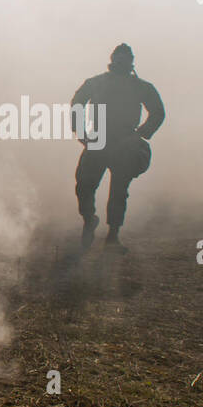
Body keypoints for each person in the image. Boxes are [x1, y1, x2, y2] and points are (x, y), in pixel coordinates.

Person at [70, 43, 164, 253]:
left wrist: (140, 134)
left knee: (119, 191)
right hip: (98, 139)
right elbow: (77, 103)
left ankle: (113, 237)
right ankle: (89, 218)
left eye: (125, 59)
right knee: (84, 185)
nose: (121, 62)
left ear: (131, 62)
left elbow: (158, 112)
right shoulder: (96, 83)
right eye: (118, 58)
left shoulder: (141, 87)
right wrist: (81, 132)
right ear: (113, 60)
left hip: (126, 142)